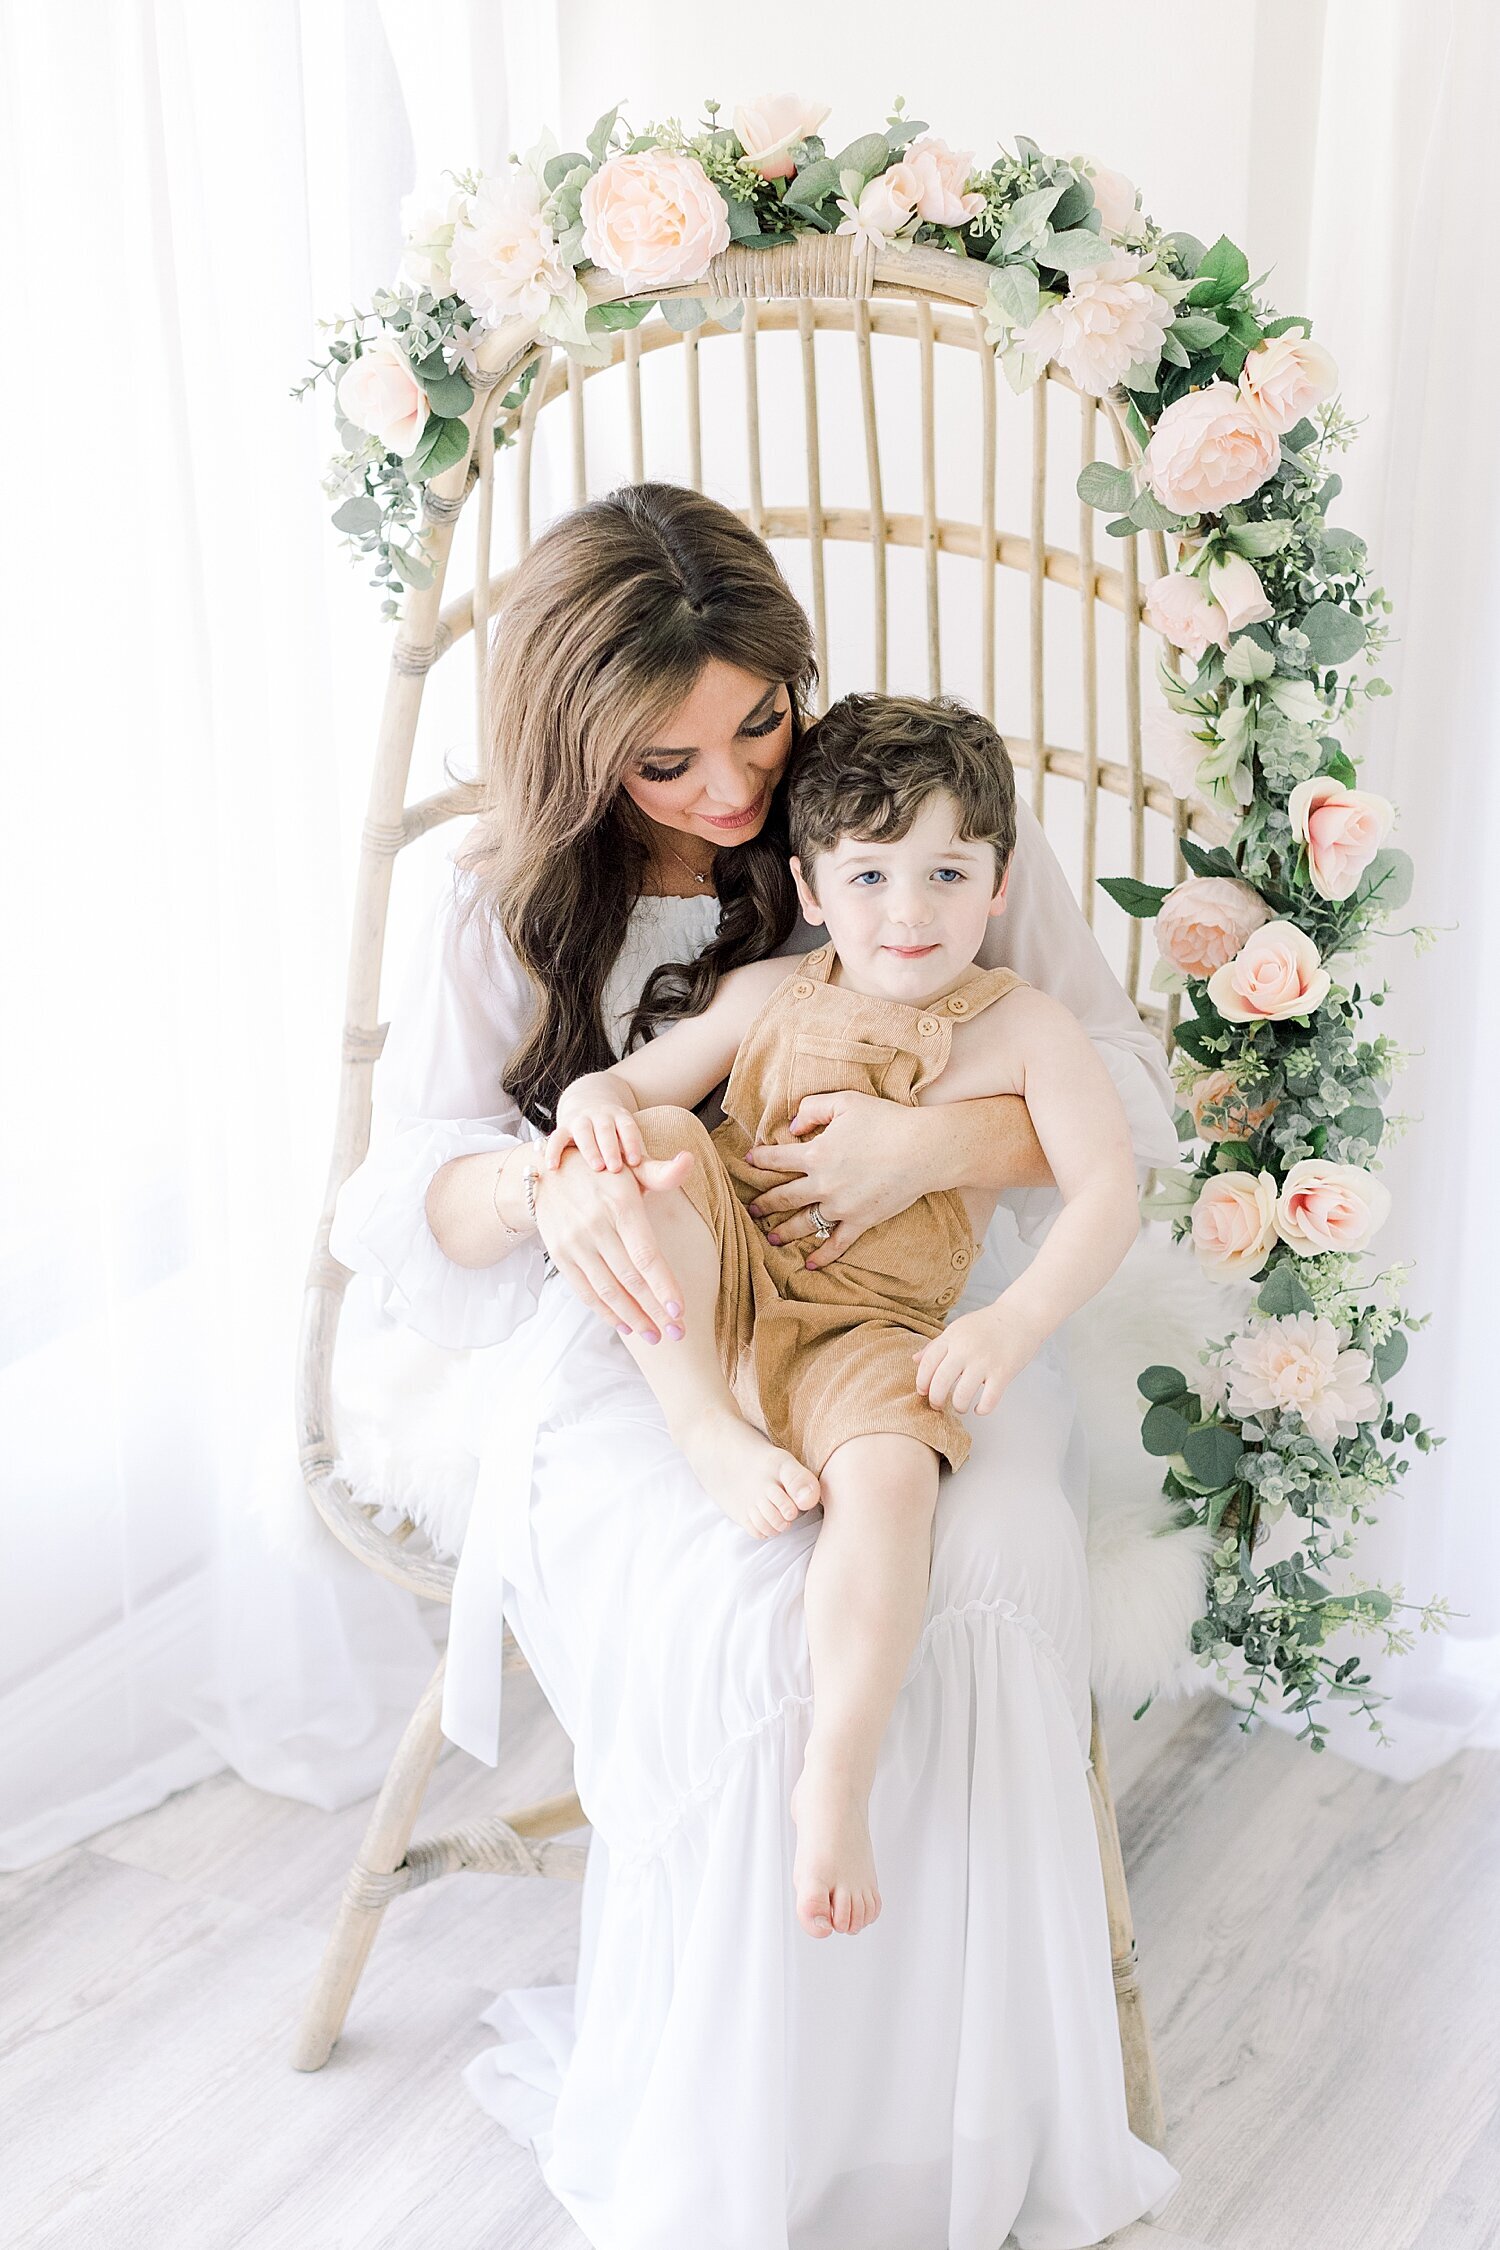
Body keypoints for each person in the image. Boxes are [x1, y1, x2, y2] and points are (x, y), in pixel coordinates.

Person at [329, 483, 1183, 2248]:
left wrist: (932, 1153)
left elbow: (1118, 1098)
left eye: (756, 724)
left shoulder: (896, 831)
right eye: (665, 762)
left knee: (990, 1571)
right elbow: (409, 1184)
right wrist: (545, 1184)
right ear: (578, 753)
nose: (730, 793)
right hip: (657, 1325)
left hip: (915, 1311)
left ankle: (967, 2125)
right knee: (743, 1625)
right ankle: (747, 2143)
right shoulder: (514, 910)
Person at [547, 691, 1140, 1946]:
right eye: (868, 875)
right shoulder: (771, 994)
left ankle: (838, 1771)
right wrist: (595, 1100)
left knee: (890, 1479)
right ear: (811, 886)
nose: (908, 912)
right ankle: (708, 1431)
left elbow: (1108, 1193)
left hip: (865, 1334)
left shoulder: (1025, 1028)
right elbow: (629, 1083)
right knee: (650, 1146)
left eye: (944, 871)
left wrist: (1012, 1323)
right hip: (722, 1298)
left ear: (998, 880)